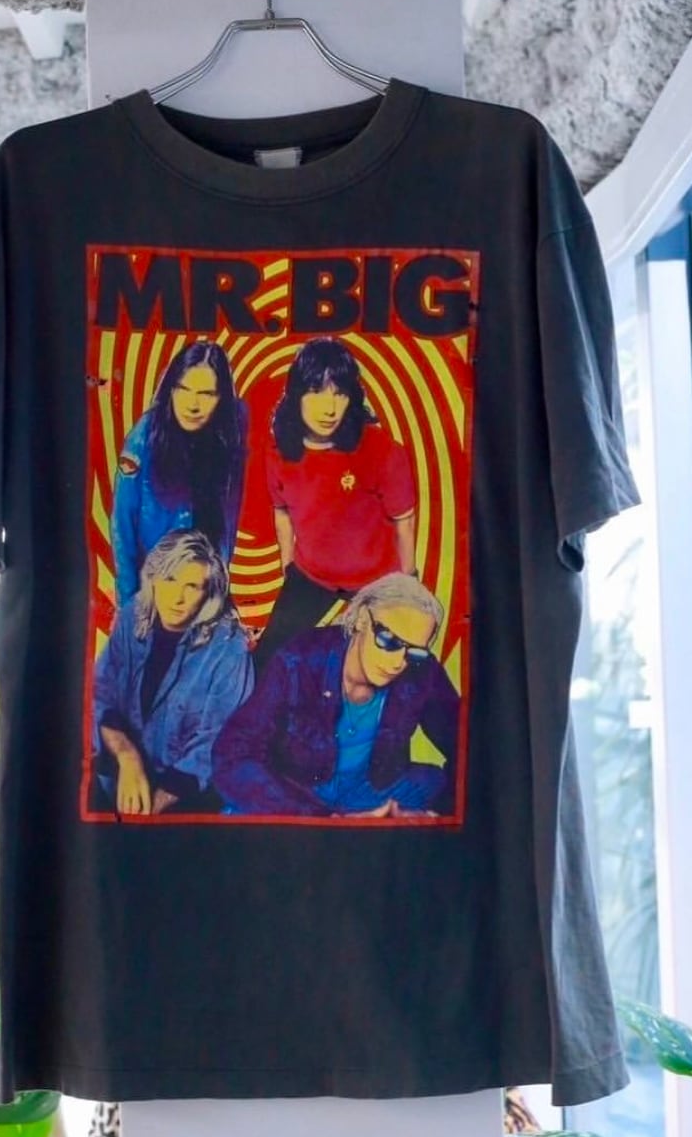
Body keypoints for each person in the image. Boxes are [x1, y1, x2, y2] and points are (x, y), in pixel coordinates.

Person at [212, 572, 458, 817]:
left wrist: (431, 814)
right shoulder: (299, 659)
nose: (398, 663)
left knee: (433, 781)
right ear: (362, 619)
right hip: (301, 793)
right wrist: (317, 818)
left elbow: (465, 742)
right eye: (389, 641)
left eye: (414, 652)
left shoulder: (422, 670)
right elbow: (234, 752)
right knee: (237, 811)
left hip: (375, 792)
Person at [253, 337, 417, 672]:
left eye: (339, 393)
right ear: (297, 395)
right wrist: (289, 568)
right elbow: (281, 511)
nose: (329, 408)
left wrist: (407, 583)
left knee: (398, 665)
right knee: (267, 658)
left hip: (376, 580)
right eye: (316, 391)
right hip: (312, 575)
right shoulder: (279, 451)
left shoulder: (381, 448)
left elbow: (405, 520)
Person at [92, 529, 254, 815]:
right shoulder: (132, 615)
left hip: (183, 799)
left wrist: (153, 808)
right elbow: (100, 694)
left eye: (192, 586)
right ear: (153, 579)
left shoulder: (230, 647)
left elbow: (221, 740)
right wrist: (127, 756)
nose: (177, 598)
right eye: (169, 579)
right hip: (116, 779)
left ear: (209, 593)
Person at [111, 340, 247, 607]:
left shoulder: (231, 430)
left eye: (206, 394)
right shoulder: (144, 437)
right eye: (183, 389)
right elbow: (122, 523)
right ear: (170, 389)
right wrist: (129, 604)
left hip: (209, 582)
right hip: (159, 586)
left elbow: (229, 513)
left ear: (221, 399)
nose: (192, 405)